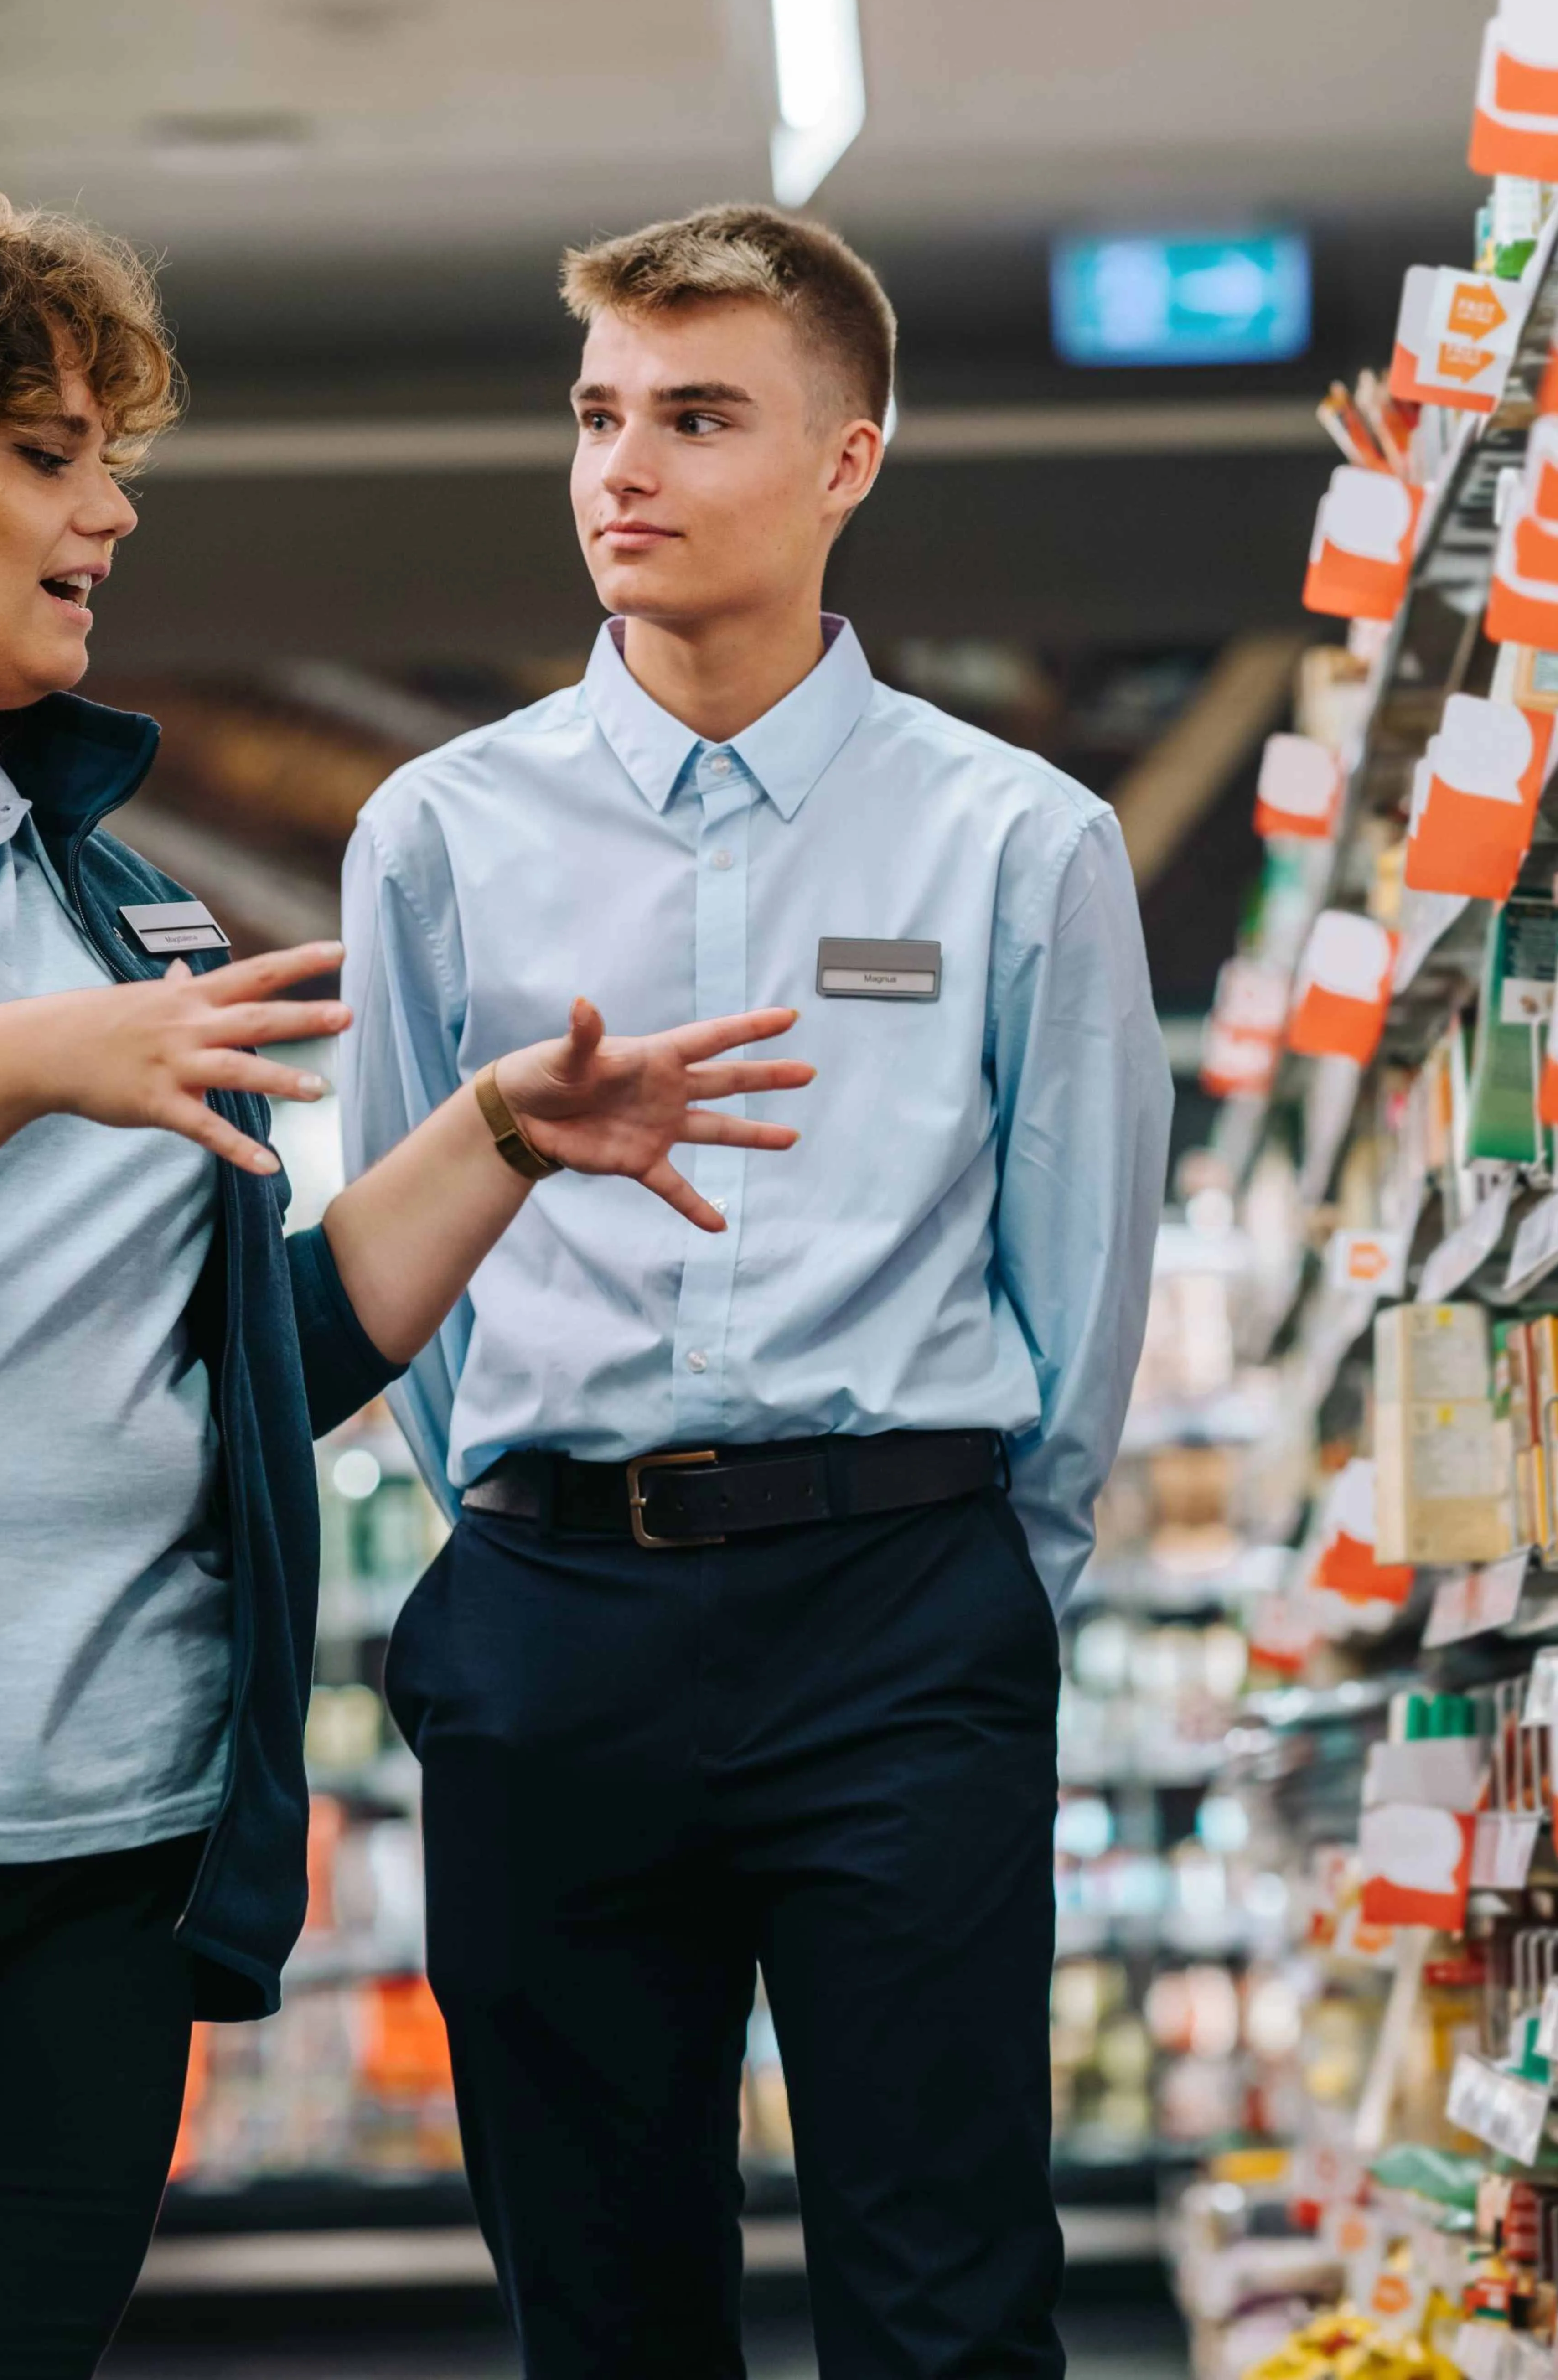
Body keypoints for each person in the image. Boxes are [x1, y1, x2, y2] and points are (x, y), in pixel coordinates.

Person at [0, 141, 814, 2380]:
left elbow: (250, 1359)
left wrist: (500, 1140)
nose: (109, 516)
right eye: (46, 454)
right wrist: (20, 1066)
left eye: (117, 463)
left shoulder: (114, 913)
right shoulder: (76, 998)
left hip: (106, 1863)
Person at [341, 203, 1173, 2379]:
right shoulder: (440, 833)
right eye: (602, 414)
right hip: (552, 1623)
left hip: (901, 1615)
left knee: (951, 2294)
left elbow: (1079, 1282)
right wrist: (525, 1545)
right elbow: (392, 1263)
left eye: (700, 416)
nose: (627, 467)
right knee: (601, 2311)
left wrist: (987, 1591)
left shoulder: (1018, 841)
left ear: (847, 461)